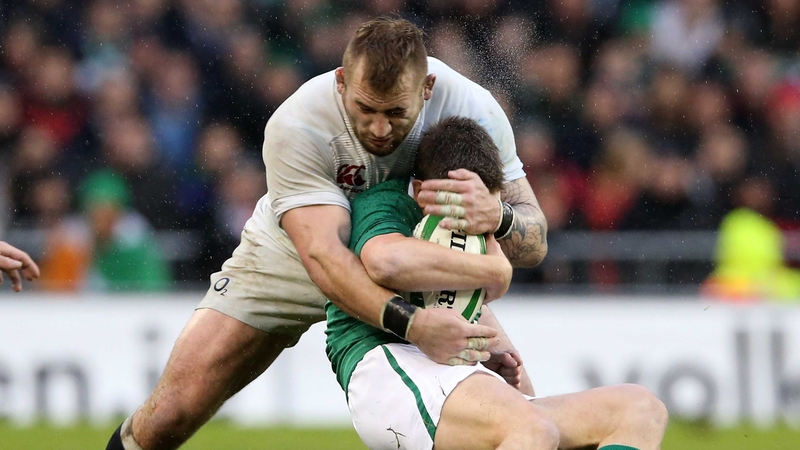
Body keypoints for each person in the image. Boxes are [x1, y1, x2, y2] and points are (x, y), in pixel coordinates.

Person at [107, 16, 548, 450]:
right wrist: (414, 327)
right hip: (293, 258)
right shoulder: (299, 122)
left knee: (526, 414)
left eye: (396, 113)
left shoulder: (470, 106)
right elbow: (324, 258)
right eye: (366, 110)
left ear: (427, 89)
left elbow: (535, 242)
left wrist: (500, 215)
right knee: (168, 416)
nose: (379, 129)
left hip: (415, 262)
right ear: (341, 83)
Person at [327, 116, 668, 450]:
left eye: (481, 206)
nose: (470, 217)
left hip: (455, 376)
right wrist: (497, 271)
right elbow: (387, 262)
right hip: (386, 366)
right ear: (421, 190)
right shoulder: (384, 202)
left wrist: (509, 374)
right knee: (534, 430)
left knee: (641, 409)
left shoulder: (479, 221)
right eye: (459, 203)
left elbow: (465, 302)